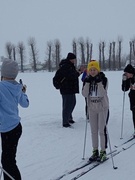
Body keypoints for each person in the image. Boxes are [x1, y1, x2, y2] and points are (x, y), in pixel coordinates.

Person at [0, 59, 29, 180]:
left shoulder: (1, 87)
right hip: (14, 127)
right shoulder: (17, 86)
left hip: (8, 129)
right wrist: (23, 92)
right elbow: (25, 103)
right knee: (8, 160)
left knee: (7, 162)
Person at [82, 60, 109, 162]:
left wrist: (98, 82)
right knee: (93, 131)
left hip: (102, 108)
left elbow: (103, 93)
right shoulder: (86, 80)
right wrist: (88, 83)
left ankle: (103, 151)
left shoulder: (104, 79)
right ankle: (95, 150)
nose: (92, 71)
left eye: (94, 69)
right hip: (92, 108)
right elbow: (84, 94)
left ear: (98, 70)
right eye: (91, 70)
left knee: (101, 130)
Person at [57, 52, 84, 128]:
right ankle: (65, 122)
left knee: (72, 103)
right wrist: (79, 72)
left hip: (70, 88)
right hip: (66, 89)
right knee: (67, 105)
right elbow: (71, 76)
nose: (75, 60)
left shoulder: (70, 66)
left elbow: (73, 74)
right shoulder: (66, 66)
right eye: (74, 59)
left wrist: (79, 71)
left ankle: (69, 118)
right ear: (70, 59)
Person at [122, 64, 135, 136]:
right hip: (133, 97)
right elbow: (124, 89)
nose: (126, 75)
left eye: (127, 73)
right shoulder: (127, 78)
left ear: (131, 73)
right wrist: (124, 81)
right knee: (134, 114)